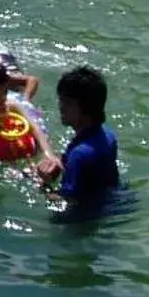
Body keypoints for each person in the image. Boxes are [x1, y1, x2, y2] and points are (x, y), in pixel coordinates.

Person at [36, 65, 122, 213]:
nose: (60, 107)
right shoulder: (107, 135)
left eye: (67, 102)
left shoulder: (79, 154)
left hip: (84, 220)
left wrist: (44, 184)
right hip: (113, 203)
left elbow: (67, 202)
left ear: (86, 108)